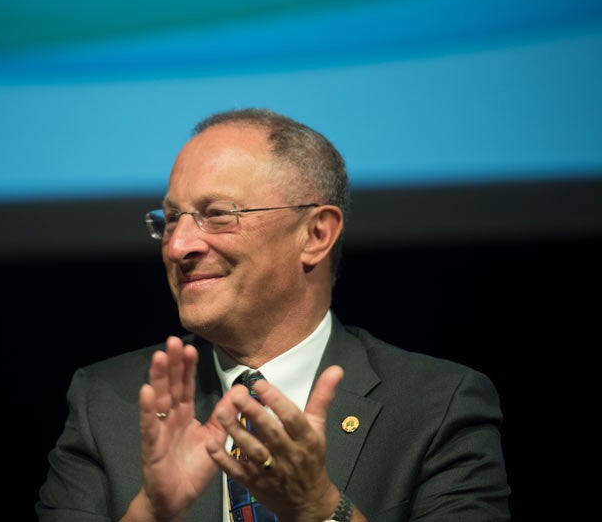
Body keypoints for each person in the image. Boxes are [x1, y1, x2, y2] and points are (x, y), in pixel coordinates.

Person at [35, 108, 511, 521]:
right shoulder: (107, 404)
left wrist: (322, 510)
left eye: (218, 214)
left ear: (316, 234)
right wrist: (151, 516)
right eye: (171, 219)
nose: (178, 246)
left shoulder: (436, 407)